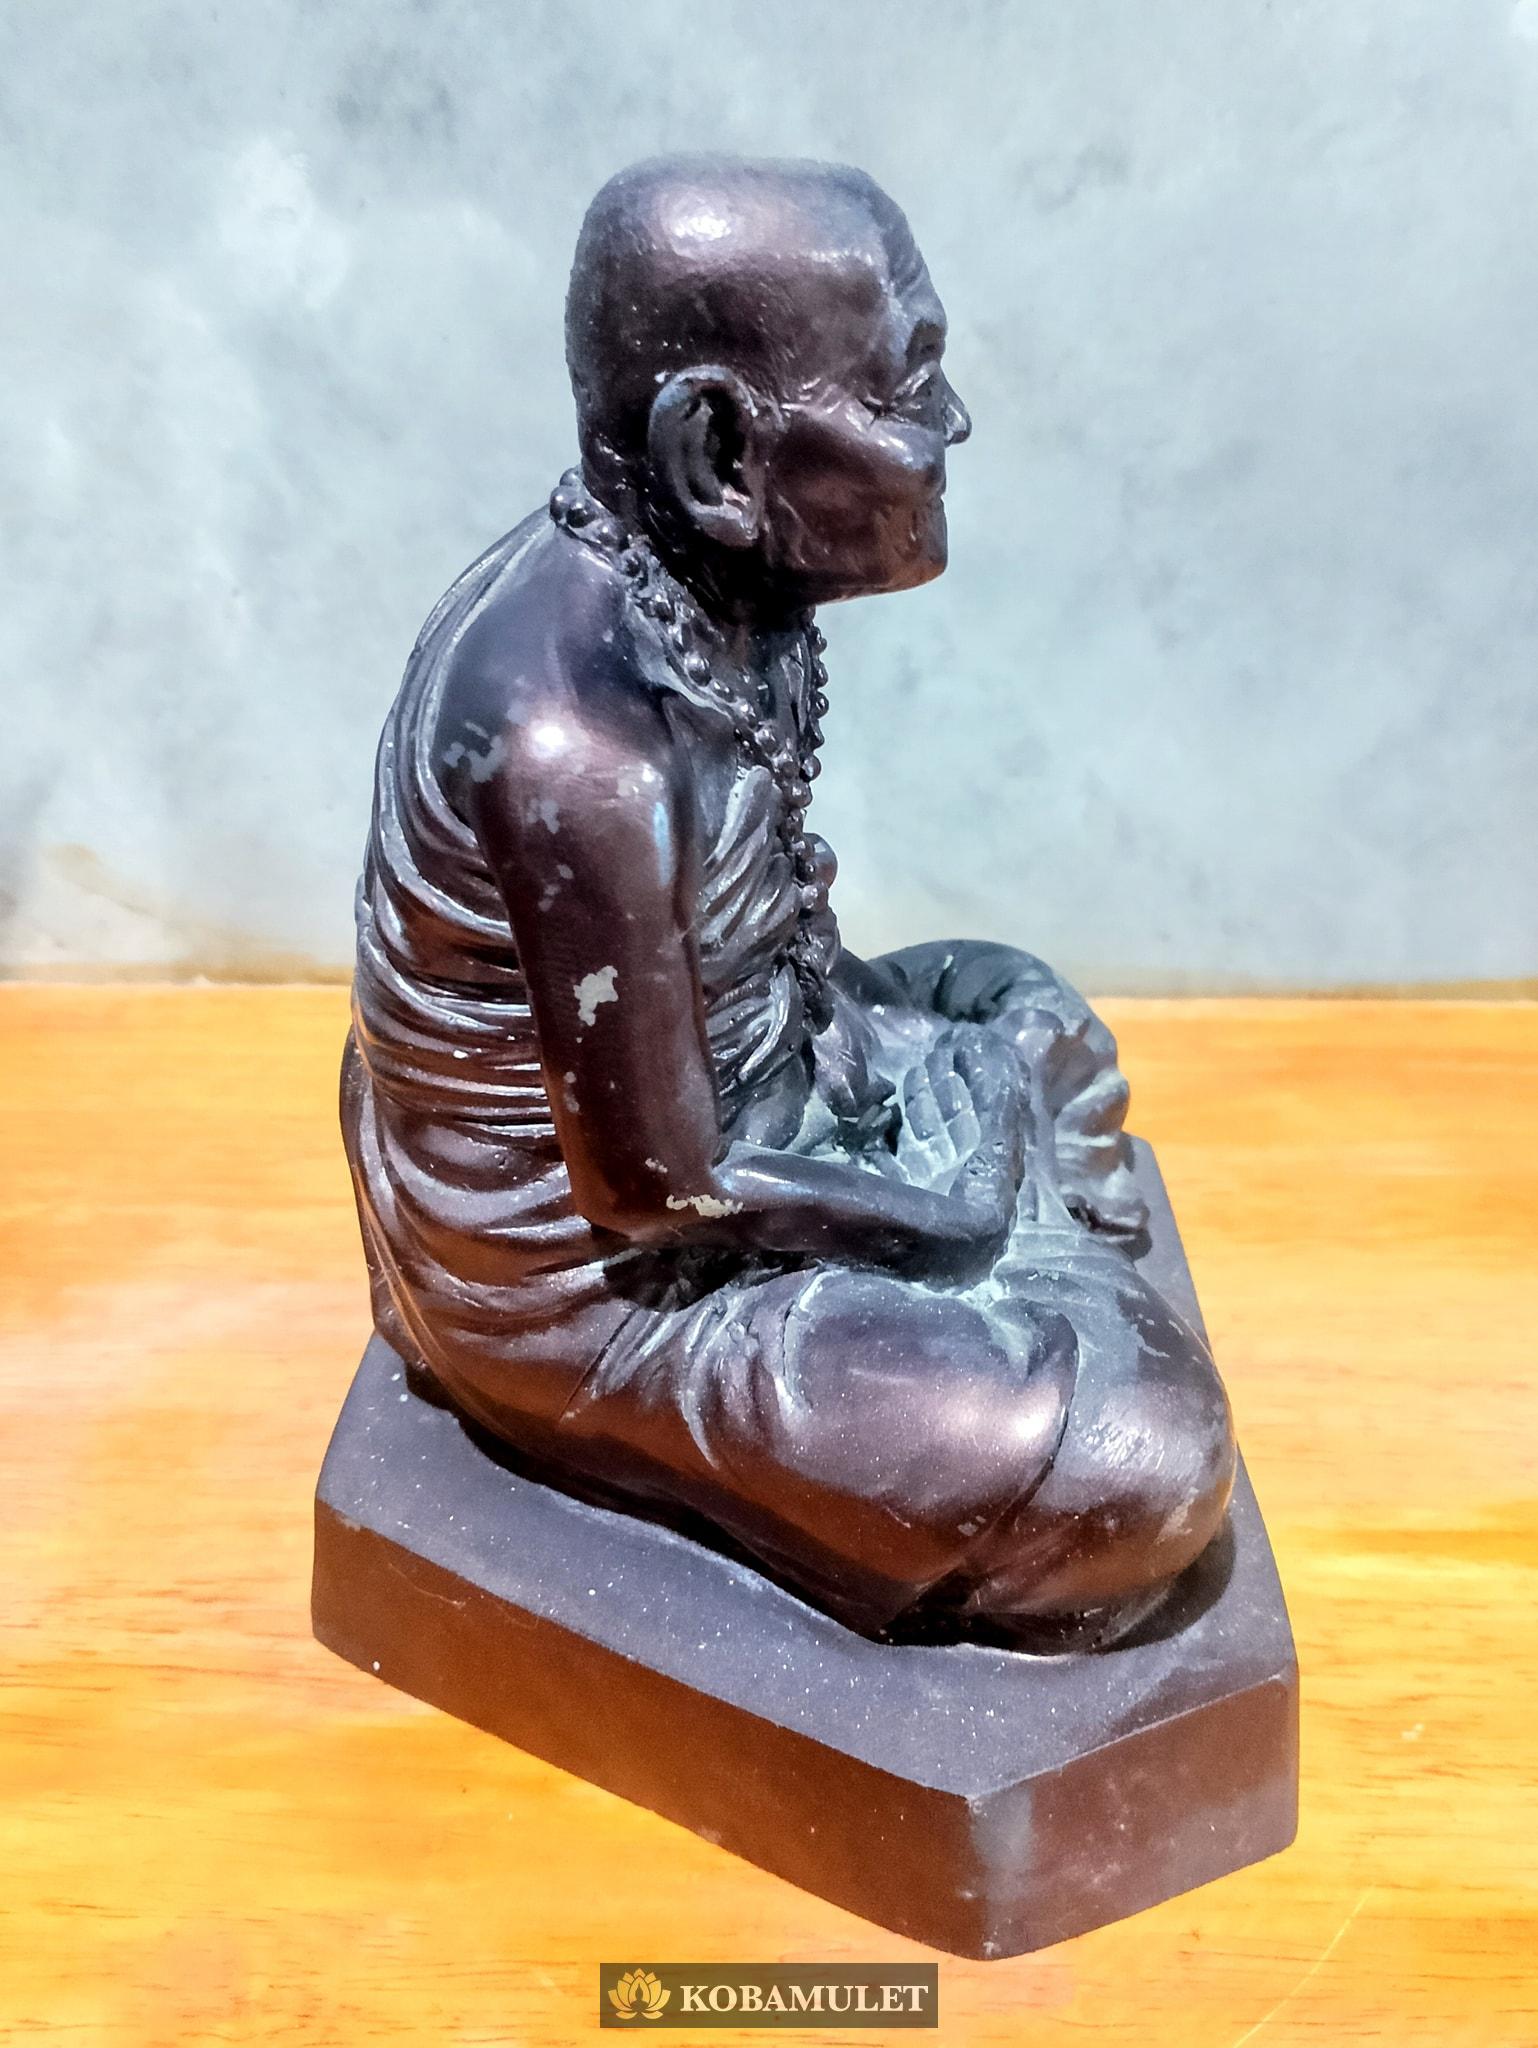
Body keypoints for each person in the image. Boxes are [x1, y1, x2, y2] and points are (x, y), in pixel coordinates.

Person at [342, 155, 1235, 1647]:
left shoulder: (710, 588)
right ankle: (1022, 1276)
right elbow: (656, 1191)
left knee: (1016, 1000)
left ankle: (1029, 1263)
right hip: (613, 1284)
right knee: (1142, 1465)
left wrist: (921, 1084)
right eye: (905, 387)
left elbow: (762, 946)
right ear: (718, 452)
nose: (952, 426)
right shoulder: (572, 739)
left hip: (773, 1086)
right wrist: (952, 1199)